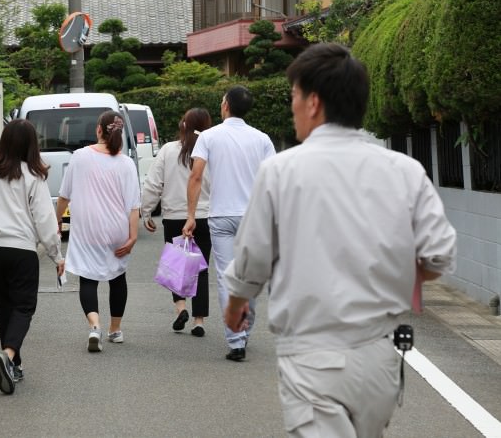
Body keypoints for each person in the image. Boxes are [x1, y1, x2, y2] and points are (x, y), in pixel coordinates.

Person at [223, 42, 457, 437]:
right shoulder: (405, 171)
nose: (293, 107)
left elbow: (252, 260)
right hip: (381, 357)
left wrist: (236, 305)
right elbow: (437, 258)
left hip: (312, 353)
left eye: (295, 96)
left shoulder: (282, 171)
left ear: (313, 103)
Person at [0, 119, 65, 395]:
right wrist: (57, 255)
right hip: (20, 249)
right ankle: (7, 355)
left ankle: (13, 366)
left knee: (4, 308)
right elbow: (44, 219)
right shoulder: (33, 176)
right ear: (32, 145)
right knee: (23, 307)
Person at [182, 86, 276, 361]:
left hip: (221, 215)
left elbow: (196, 176)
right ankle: (244, 332)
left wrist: (190, 216)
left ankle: (236, 341)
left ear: (225, 106)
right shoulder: (262, 139)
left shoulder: (209, 137)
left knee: (226, 277)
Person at [56, 110, 140, 353]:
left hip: (88, 229)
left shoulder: (80, 156)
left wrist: (57, 220)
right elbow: (133, 204)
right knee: (117, 277)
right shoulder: (126, 163)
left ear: (99, 130)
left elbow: (64, 196)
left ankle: (95, 327)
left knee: (88, 278)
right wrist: (133, 236)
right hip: (118, 229)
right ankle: (116, 330)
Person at [141, 108, 213, 336]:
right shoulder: (212, 151)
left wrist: (146, 211)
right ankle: (198, 321)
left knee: (177, 267)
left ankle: (181, 308)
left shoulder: (168, 150)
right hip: (204, 216)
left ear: (183, 125)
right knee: (201, 269)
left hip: (174, 217)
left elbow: (153, 183)